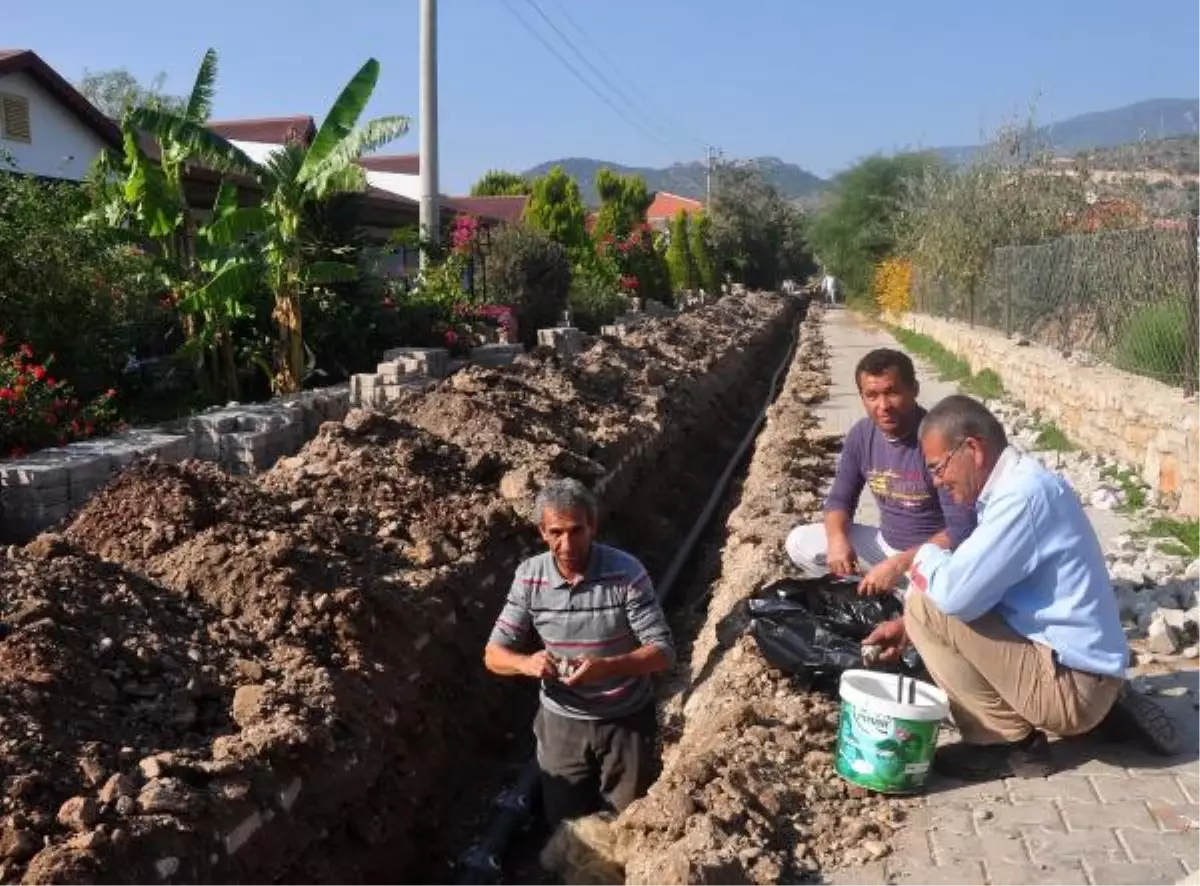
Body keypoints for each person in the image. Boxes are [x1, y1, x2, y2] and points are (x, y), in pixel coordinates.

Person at [863, 394, 1178, 780]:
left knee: (924, 601)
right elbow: (983, 588)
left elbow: (953, 597)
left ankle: (1003, 743)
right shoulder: (1024, 482)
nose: (938, 481)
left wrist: (919, 558)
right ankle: (1104, 711)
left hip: (1072, 687)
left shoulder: (1020, 500)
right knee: (931, 604)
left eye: (939, 467)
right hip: (1086, 668)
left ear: (973, 449)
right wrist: (907, 629)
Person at [484, 479, 675, 826]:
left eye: (577, 531)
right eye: (556, 532)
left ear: (593, 527)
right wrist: (527, 663)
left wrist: (607, 667)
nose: (567, 543)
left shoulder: (625, 574)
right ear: (542, 531)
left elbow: (662, 652)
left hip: (625, 720)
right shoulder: (529, 578)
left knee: (626, 820)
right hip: (561, 723)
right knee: (565, 822)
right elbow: (494, 654)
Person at [786, 348, 976, 595]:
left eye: (892, 392)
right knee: (800, 542)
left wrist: (900, 564)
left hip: (933, 556)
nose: (883, 406)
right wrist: (837, 540)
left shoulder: (938, 440)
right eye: (872, 395)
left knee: (944, 601)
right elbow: (839, 501)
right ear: (862, 397)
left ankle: (903, 598)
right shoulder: (862, 435)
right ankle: (874, 593)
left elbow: (962, 528)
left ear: (914, 389)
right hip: (883, 546)